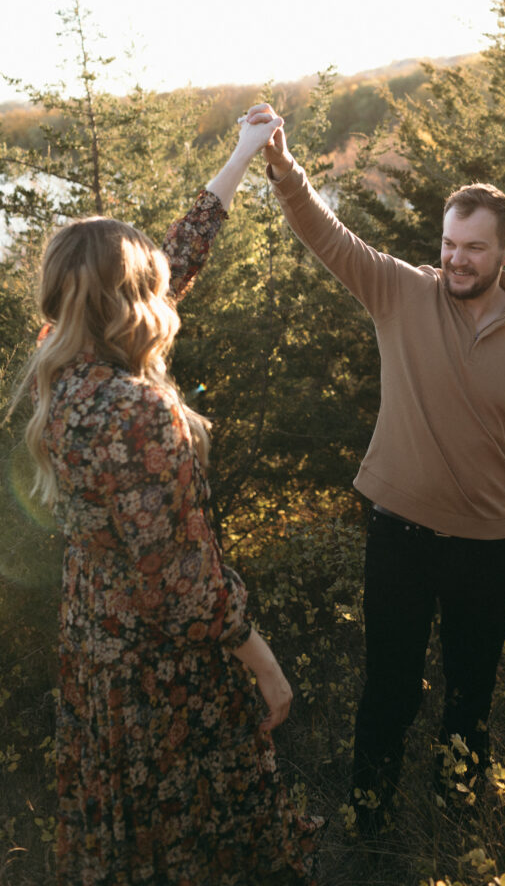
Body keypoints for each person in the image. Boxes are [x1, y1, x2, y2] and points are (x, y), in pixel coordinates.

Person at [11, 114, 322, 885]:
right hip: (164, 662)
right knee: (194, 826)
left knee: (124, 825)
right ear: (128, 300)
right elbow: (183, 578)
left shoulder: (65, 368)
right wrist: (264, 661)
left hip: (97, 637)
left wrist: (245, 154)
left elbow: (172, 264)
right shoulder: (134, 409)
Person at [245, 102, 505, 831]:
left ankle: (456, 827)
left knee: (469, 696)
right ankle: (368, 822)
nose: (456, 258)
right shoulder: (401, 292)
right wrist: (280, 165)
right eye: (450, 243)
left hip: (485, 549)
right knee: (388, 688)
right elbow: (328, 237)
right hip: (397, 536)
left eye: (474, 249)